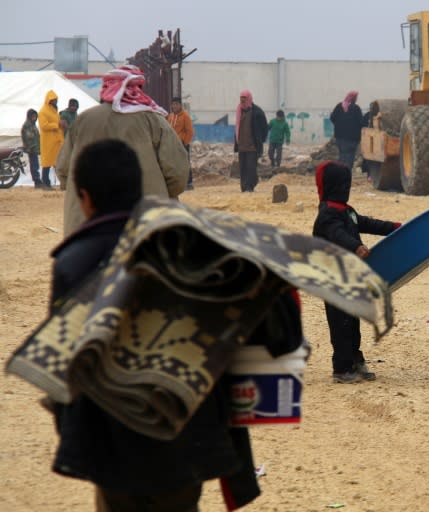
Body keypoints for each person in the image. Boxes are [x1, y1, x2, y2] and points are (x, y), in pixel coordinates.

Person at [48, 138, 283, 511]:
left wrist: (74, 431)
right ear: (140, 188)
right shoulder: (188, 247)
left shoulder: (73, 262)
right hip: (186, 436)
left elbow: (65, 361)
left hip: (111, 439)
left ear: (84, 197)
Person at [56, 65, 189, 236]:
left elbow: (63, 169)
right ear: (138, 88)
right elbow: (177, 171)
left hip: (86, 227)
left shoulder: (83, 120)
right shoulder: (154, 120)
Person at [312, 160, 400, 383]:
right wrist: (356, 246)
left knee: (352, 322)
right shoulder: (327, 215)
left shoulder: (347, 211)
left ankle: (355, 360)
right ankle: (341, 369)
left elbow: (367, 223)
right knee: (340, 325)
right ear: (333, 187)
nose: (346, 190)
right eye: (343, 185)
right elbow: (337, 234)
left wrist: (394, 228)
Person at [234, 90, 268, 192]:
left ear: (249, 99)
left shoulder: (257, 112)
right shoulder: (239, 111)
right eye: (241, 99)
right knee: (243, 168)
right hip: (241, 145)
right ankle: (244, 187)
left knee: (251, 168)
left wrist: (260, 140)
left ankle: (250, 186)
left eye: (244, 99)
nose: (242, 101)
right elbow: (237, 127)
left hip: (252, 146)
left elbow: (264, 128)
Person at [330, 91, 364, 170]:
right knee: (349, 160)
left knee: (342, 158)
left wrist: (339, 125)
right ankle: (346, 177)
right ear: (354, 98)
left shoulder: (339, 106)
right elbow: (361, 122)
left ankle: (341, 177)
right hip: (352, 139)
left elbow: (332, 118)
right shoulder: (356, 108)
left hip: (340, 138)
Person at [39, 90, 65, 190]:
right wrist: (57, 125)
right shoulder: (43, 111)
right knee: (47, 163)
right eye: (53, 100)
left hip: (56, 141)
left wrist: (61, 124)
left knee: (56, 162)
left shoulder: (54, 111)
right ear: (48, 100)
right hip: (47, 142)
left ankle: (58, 183)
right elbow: (43, 125)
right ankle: (45, 183)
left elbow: (57, 123)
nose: (55, 101)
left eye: (55, 100)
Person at [167, 97, 195, 190]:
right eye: (173, 104)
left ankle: (189, 183)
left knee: (185, 163)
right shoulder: (170, 116)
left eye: (176, 104)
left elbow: (190, 131)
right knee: (174, 164)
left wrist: (185, 142)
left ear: (180, 105)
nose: (174, 106)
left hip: (182, 144)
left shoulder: (185, 116)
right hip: (172, 144)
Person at [21, 108, 43, 188]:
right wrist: (33, 148)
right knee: (34, 166)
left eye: (35, 116)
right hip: (31, 149)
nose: (34, 118)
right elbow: (29, 138)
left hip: (34, 148)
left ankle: (38, 181)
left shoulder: (33, 125)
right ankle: (37, 182)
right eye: (33, 116)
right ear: (29, 116)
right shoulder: (27, 125)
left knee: (35, 165)